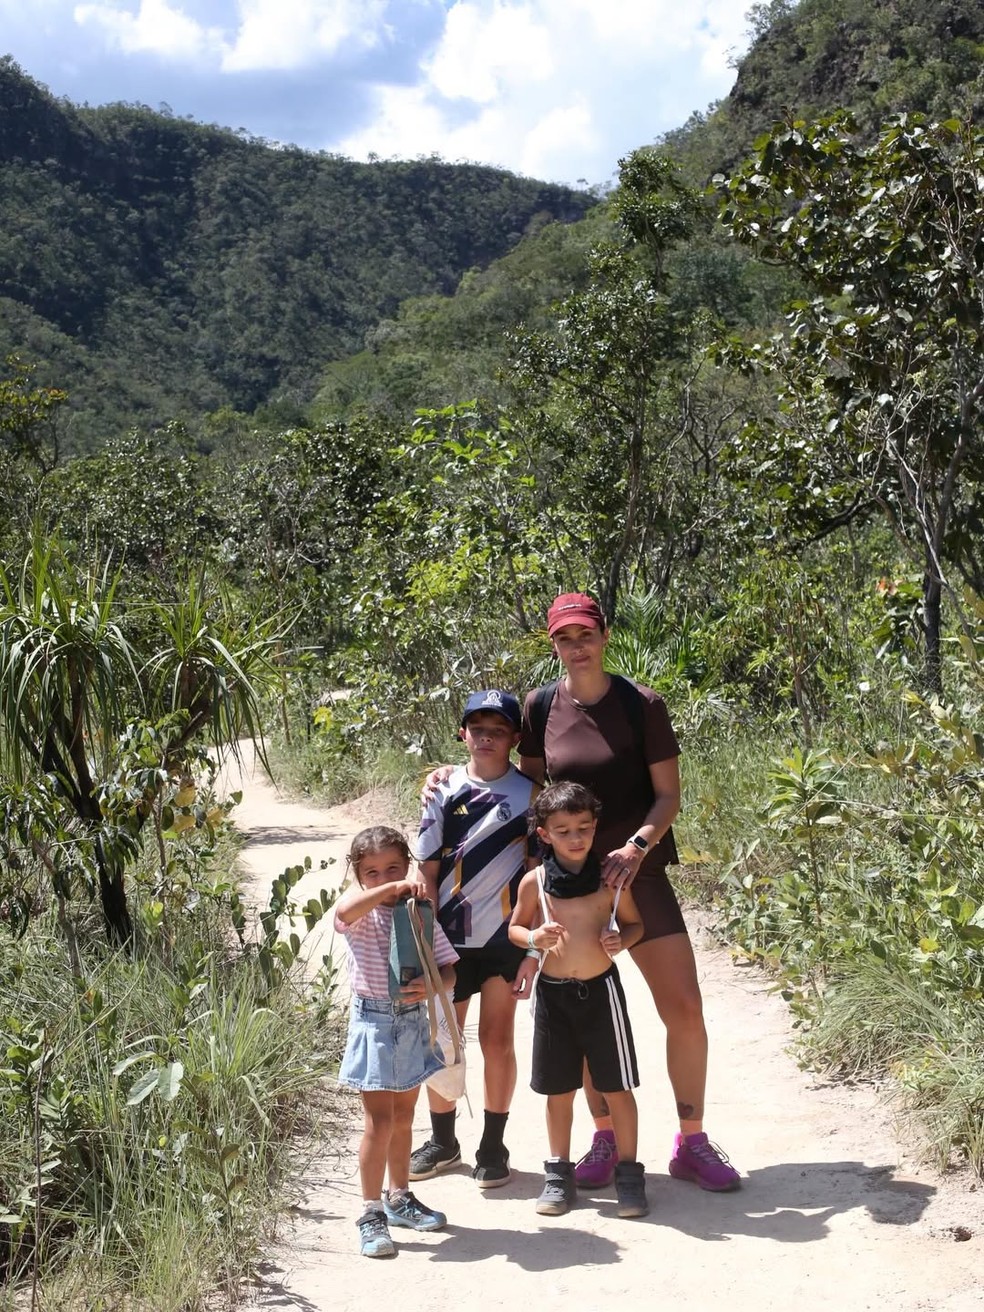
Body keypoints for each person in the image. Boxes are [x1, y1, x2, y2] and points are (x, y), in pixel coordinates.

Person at [519, 591, 740, 1193]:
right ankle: (605, 1136)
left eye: (585, 634)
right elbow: (530, 788)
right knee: (584, 1007)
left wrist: (636, 846)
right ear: (554, 644)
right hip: (572, 884)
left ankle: (691, 1141)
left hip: (638, 873)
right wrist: (453, 777)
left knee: (684, 1008)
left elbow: (667, 795)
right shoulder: (540, 707)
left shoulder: (641, 705)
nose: (577, 647)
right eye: (565, 638)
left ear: (604, 635)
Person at [410, 690, 540, 1189]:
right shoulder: (440, 790)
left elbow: (536, 873)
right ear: (462, 733)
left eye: (499, 729)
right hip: (449, 939)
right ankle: (443, 1142)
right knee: (442, 1041)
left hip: (506, 938)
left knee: (497, 1041)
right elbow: (426, 867)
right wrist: (423, 935)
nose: (487, 737)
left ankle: (493, 1145)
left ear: (514, 737)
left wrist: (532, 948)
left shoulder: (530, 795)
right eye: (477, 727)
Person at [508, 781, 648, 1218]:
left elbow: (636, 926)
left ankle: (629, 1177)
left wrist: (619, 941)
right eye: (563, 830)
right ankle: (557, 1175)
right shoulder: (536, 881)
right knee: (558, 1090)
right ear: (544, 834)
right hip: (553, 996)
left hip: (602, 993)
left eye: (584, 828)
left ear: (595, 827)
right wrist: (533, 937)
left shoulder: (611, 880)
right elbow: (515, 928)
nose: (575, 838)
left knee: (617, 1087)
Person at [334, 825, 458, 1259]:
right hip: (374, 1024)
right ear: (358, 874)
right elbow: (345, 911)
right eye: (372, 872)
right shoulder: (362, 914)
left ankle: (399, 1196)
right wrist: (387, 887)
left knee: (405, 1118)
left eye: (393, 868)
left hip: (410, 1024)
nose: (384, 878)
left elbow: (449, 969)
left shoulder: (418, 913)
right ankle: (370, 1213)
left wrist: (431, 985)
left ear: (409, 866)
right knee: (379, 1123)